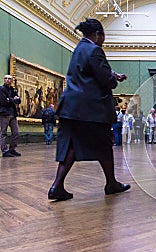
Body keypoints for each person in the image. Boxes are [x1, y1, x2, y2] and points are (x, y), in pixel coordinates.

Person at [48, 18, 130, 201]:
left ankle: (57, 186)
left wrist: (111, 73)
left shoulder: (79, 48)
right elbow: (107, 81)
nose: (104, 40)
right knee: (103, 144)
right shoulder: (95, 50)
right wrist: (114, 79)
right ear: (97, 34)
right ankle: (111, 183)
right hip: (90, 110)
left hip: (71, 107)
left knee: (71, 146)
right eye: (103, 36)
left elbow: (87, 73)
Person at [0, 74, 21, 157]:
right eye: (6, 78)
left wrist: (10, 99)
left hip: (13, 114)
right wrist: (13, 99)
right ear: (4, 80)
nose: (8, 80)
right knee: (3, 132)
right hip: (4, 114)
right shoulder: (1, 89)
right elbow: (3, 101)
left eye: (9, 78)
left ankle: (12, 149)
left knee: (16, 132)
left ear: (12, 80)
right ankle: (4, 151)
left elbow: (19, 100)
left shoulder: (13, 90)